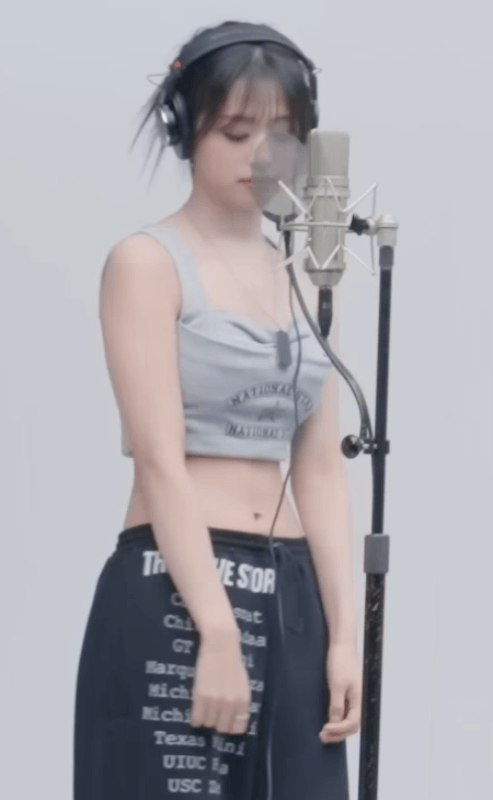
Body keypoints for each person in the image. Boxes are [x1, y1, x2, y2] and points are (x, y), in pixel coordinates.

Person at [73, 19, 361, 800]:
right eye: (236, 132)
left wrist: (343, 638)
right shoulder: (145, 263)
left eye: (282, 133)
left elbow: (320, 471)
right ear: (186, 129)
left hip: (292, 592)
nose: (261, 155)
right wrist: (217, 630)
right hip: (176, 584)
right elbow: (159, 459)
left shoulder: (308, 274)